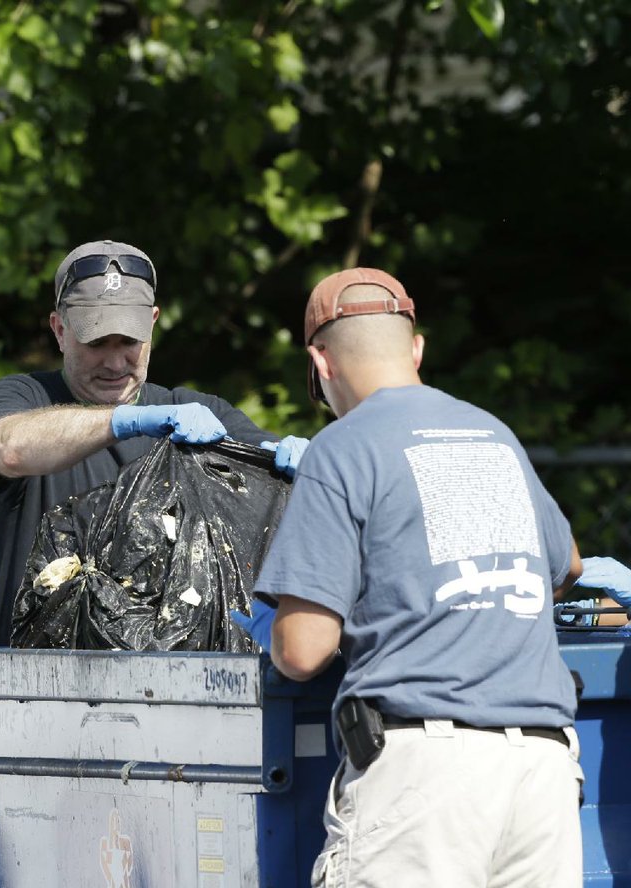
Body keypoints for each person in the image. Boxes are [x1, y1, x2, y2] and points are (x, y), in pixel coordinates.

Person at [236, 268, 585, 887]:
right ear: (417, 348)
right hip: (544, 774)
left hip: (424, 782)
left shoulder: (342, 449)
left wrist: (281, 624)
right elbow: (567, 566)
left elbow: (303, 650)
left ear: (320, 363)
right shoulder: (492, 435)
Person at [0, 239, 308, 646]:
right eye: (96, 342)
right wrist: (128, 420)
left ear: (152, 323)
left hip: (172, 682)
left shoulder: (199, 411)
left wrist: (311, 464)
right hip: (36, 682)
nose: (115, 363)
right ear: (59, 330)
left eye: (129, 342)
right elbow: (9, 448)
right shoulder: (24, 398)